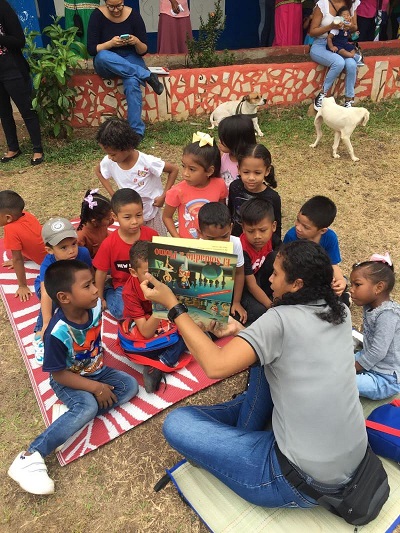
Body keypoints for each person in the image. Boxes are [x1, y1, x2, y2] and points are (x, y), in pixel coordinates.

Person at [140, 240, 368, 508]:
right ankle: (243, 431)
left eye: (276, 273)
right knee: (262, 364)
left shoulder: (279, 320)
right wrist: (241, 333)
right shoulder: (339, 310)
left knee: (177, 423)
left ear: (296, 284)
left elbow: (215, 366)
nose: (269, 279)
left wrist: (173, 305)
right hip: (354, 460)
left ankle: (239, 440)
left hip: (297, 480)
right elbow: (287, 343)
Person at [8, 259, 138, 495]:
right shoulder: (57, 333)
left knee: (129, 386)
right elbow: (58, 373)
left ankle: (70, 418)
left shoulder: (96, 305)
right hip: (68, 380)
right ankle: (30, 455)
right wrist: (96, 388)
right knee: (88, 405)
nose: (96, 289)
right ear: (65, 297)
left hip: (96, 369)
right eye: (87, 286)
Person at [87, 0, 164, 138]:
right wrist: (110, 43)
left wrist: (136, 41)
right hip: (107, 61)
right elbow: (92, 49)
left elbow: (143, 50)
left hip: (130, 57)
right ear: (105, 3)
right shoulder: (97, 15)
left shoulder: (134, 15)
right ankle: (146, 75)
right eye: (111, 7)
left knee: (132, 81)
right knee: (103, 56)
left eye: (119, 6)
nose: (116, 10)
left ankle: (136, 132)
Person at [95, 117, 178, 236]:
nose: (110, 157)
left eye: (112, 154)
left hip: (150, 216)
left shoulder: (147, 162)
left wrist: (164, 196)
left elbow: (173, 170)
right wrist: (113, 194)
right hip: (128, 218)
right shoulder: (110, 161)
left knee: (156, 245)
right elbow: (98, 171)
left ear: (127, 147)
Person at [122, 240, 187, 392]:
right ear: (133, 272)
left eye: (158, 270)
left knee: (190, 324)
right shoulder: (129, 292)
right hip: (148, 328)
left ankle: (161, 362)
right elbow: (145, 331)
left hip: (167, 322)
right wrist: (161, 304)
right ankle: (162, 362)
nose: (154, 277)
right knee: (184, 333)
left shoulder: (167, 276)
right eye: (147, 273)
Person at [33, 218, 93, 364]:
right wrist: (47, 321)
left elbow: (89, 273)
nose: (71, 250)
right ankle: (40, 334)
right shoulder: (48, 264)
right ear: (49, 250)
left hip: (73, 285)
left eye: (73, 244)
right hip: (52, 288)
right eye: (63, 248)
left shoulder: (83, 253)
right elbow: (47, 292)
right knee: (56, 300)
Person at [93, 188, 158, 321]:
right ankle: (108, 290)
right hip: (123, 285)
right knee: (123, 313)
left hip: (149, 280)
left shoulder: (151, 235)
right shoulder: (109, 244)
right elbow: (101, 272)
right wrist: (100, 297)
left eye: (139, 215)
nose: (134, 221)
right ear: (115, 217)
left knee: (163, 303)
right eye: (127, 217)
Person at [350, 252, 400, 400]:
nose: (351, 289)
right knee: (338, 362)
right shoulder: (370, 306)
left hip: (385, 378)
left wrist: (354, 368)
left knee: (341, 381)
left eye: (357, 285)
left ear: (378, 288)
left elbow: (378, 352)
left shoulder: (388, 315)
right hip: (369, 360)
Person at [0, 0, 43, 165]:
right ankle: (13, 148)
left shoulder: (3, 7)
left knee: (26, 109)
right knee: (3, 112)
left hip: (12, 67)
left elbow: (19, 41)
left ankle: (37, 149)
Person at [162, 132, 227, 239]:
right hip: (188, 246)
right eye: (184, 166)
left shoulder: (219, 185)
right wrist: (177, 239)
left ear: (209, 171)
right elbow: (167, 217)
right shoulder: (177, 191)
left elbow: (223, 211)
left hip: (213, 244)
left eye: (192, 169)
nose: (185, 173)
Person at [283, 195, 347, 297]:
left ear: (322, 230)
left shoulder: (330, 237)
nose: (298, 227)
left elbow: (333, 264)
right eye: (298, 220)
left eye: (305, 227)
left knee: (336, 286)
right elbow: (286, 265)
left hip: (319, 274)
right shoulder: (291, 237)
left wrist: (341, 281)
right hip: (298, 276)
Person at [197, 202, 247, 323]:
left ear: (231, 227)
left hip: (228, 293)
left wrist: (236, 302)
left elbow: (240, 273)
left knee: (252, 312)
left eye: (224, 236)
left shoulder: (235, 243)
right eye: (211, 239)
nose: (220, 243)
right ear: (200, 233)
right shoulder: (196, 248)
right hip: (205, 293)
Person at [309, 0, 360, 109]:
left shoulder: (350, 3)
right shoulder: (323, 4)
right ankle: (321, 95)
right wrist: (331, 26)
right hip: (321, 44)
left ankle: (348, 100)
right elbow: (312, 32)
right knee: (339, 62)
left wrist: (348, 26)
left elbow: (355, 27)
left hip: (341, 45)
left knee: (351, 64)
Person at [228, 144, 281, 245]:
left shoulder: (273, 197)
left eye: (257, 173)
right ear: (238, 169)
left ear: (267, 171)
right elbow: (230, 213)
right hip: (237, 242)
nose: (251, 177)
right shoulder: (234, 187)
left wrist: (276, 248)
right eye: (246, 172)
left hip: (260, 244)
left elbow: (276, 227)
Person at [0, 190, 46, 301]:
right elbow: (33, 241)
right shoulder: (27, 215)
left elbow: (17, 260)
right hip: (50, 250)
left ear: (8, 218)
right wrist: (25, 257)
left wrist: (22, 286)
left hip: (50, 262)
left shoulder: (10, 229)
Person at [239, 198, 277, 324]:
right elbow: (251, 285)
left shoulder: (271, 239)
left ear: (273, 227)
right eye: (250, 231)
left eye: (262, 230)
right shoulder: (242, 250)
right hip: (242, 286)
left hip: (258, 276)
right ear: (243, 229)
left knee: (276, 257)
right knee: (260, 311)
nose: (257, 236)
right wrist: (271, 306)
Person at [218, 115, 257, 190]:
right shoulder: (221, 156)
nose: (219, 141)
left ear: (236, 141)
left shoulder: (251, 163)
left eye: (223, 139)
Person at [77, 189, 113, 258]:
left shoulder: (102, 222)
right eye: (108, 218)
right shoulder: (81, 237)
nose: (111, 218)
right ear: (94, 221)